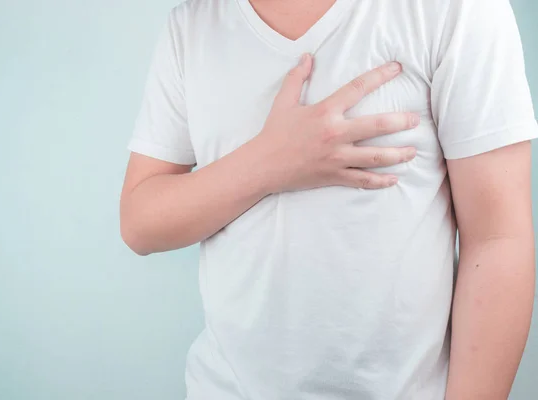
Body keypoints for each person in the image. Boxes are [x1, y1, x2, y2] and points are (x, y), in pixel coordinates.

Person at [120, 0, 537, 398]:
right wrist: (269, 163)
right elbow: (141, 222)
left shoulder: (452, 9)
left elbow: (499, 238)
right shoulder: (190, 28)